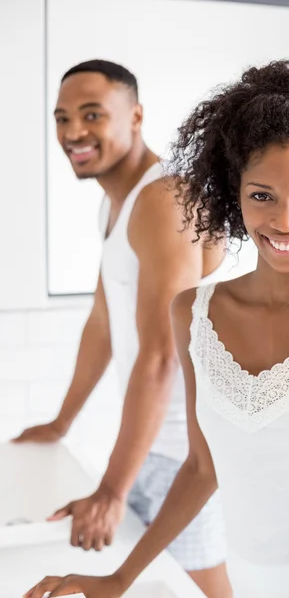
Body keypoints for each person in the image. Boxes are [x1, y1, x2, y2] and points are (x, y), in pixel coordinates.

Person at [24, 60, 289, 598]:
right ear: (233, 192)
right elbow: (202, 468)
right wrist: (119, 579)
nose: (286, 221)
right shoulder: (193, 315)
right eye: (262, 195)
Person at [15, 59, 233, 598]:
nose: (73, 132)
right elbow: (102, 322)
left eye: (92, 114)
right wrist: (62, 421)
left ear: (135, 116)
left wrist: (112, 489)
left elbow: (161, 354)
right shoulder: (116, 205)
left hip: (187, 452)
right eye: (61, 118)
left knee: (202, 590)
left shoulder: (162, 199)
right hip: (152, 445)